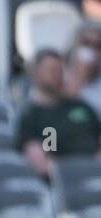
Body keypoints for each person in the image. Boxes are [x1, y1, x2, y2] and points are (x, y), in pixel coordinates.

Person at [18, 49, 101, 177]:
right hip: (62, 182)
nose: (58, 75)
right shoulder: (30, 116)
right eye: (52, 70)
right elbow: (41, 163)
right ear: (35, 73)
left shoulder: (81, 106)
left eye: (60, 70)